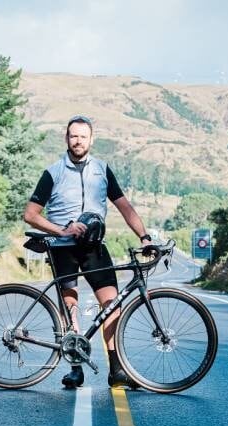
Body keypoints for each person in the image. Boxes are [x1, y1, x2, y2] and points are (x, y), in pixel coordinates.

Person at [23, 115, 153, 389]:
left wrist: (144, 236)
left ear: (91, 139)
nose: (78, 140)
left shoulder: (102, 170)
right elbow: (31, 214)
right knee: (70, 309)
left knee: (112, 305)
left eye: (83, 136)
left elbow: (125, 207)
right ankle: (75, 369)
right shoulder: (53, 172)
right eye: (73, 136)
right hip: (63, 248)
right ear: (66, 138)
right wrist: (61, 231)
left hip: (94, 247)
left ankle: (117, 370)